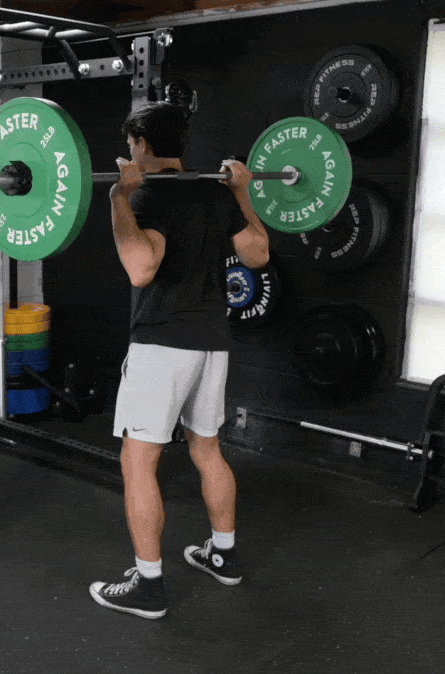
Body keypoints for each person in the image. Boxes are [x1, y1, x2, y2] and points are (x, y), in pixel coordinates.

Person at [88, 102, 271, 619]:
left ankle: (148, 586)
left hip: (163, 344)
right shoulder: (214, 192)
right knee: (207, 450)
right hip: (212, 341)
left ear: (142, 144)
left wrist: (118, 198)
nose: (130, 155)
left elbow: (142, 268)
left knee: (138, 460)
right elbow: (257, 253)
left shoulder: (148, 193)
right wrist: (243, 192)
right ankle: (223, 554)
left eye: (131, 146)